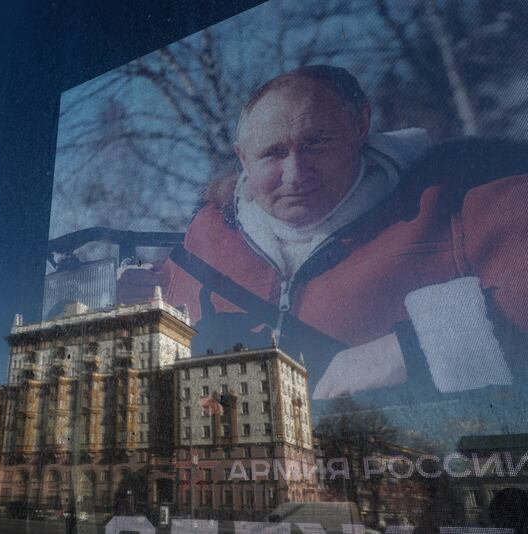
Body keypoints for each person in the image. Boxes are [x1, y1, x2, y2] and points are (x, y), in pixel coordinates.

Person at [158, 65, 528, 401]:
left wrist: (414, 347)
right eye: (272, 154)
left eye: (317, 143)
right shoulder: (210, 230)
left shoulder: (455, 192)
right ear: (242, 157)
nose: (296, 174)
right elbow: (165, 298)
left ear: (360, 125)